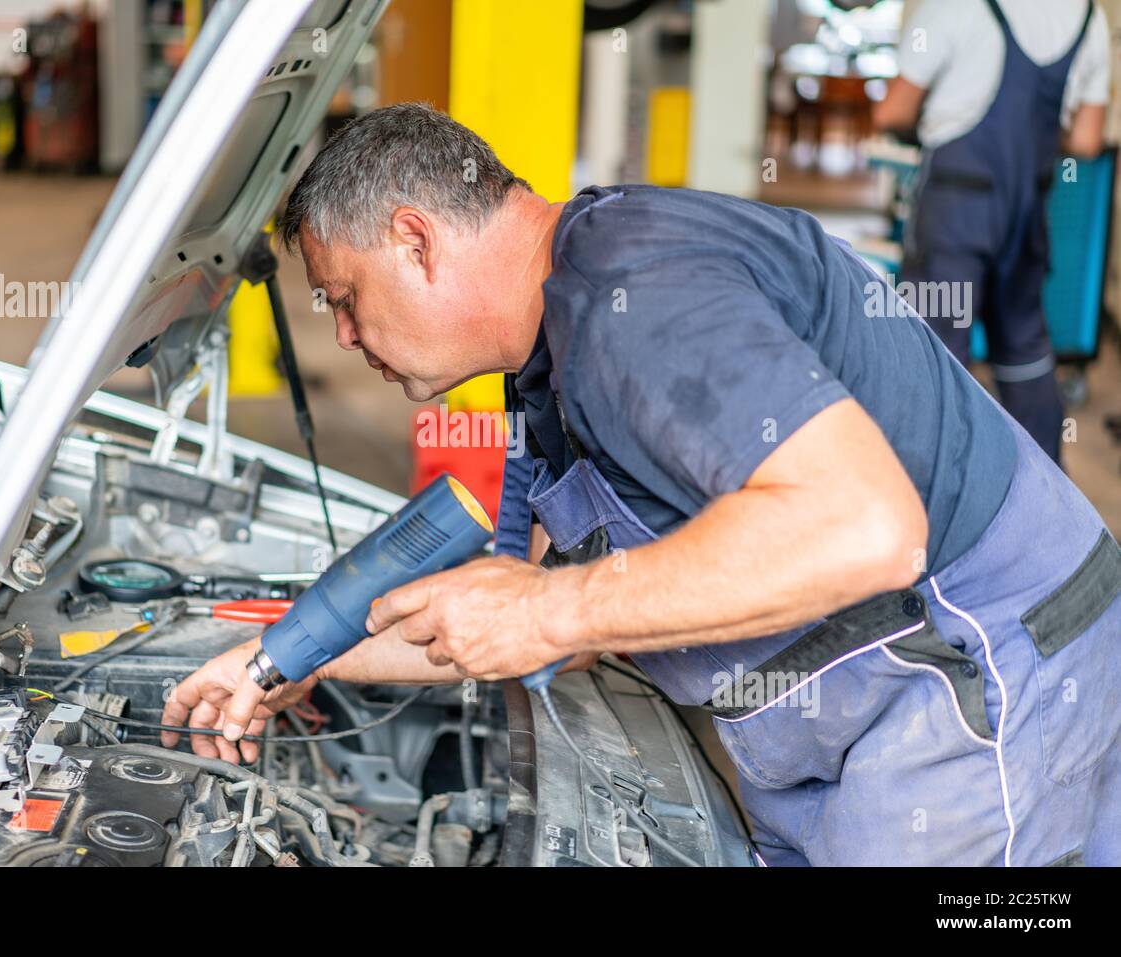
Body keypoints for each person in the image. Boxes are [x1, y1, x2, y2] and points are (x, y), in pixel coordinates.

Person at [162, 103, 1120, 865]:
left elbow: (865, 524)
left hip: (982, 684)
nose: (345, 336)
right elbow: (502, 615)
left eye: (342, 298)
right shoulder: (549, 362)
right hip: (855, 720)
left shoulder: (641, 297)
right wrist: (288, 666)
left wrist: (548, 611)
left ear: (414, 240)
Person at [874, 0, 1112, 463]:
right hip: (1027, 217)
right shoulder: (1088, 16)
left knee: (935, 352)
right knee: (1024, 351)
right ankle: (1044, 504)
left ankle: (937, 501)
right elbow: (1086, 139)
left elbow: (891, 113)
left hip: (955, 215)